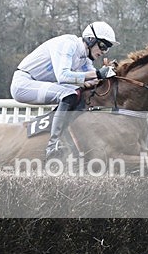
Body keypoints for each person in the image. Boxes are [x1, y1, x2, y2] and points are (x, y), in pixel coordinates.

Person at [10, 21, 118, 160]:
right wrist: (98, 74)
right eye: (103, 46)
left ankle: (70, 136)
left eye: (107, 49)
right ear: (91, 40)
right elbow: (63, 76)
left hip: (39, 83)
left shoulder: (85, 59)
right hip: (23, 83)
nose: (103, 52)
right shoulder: (68, 44)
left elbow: (94, 80)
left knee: (80, 94)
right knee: (68, 94)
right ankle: (52, 145)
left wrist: (109, 73)